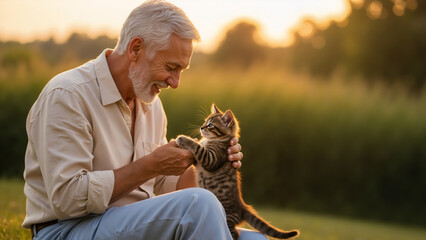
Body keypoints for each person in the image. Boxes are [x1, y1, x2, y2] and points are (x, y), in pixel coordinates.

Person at [23, 1, 267, 239]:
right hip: (67, 229)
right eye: (171, 67)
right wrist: (151, 165)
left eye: (181, 71)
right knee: (198, 204)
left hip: (135, 227)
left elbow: (164, 183)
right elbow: (68, 199)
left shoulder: (150, 103)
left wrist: (211, 163)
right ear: (136, 49)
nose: (175, 82)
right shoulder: (68, 95)